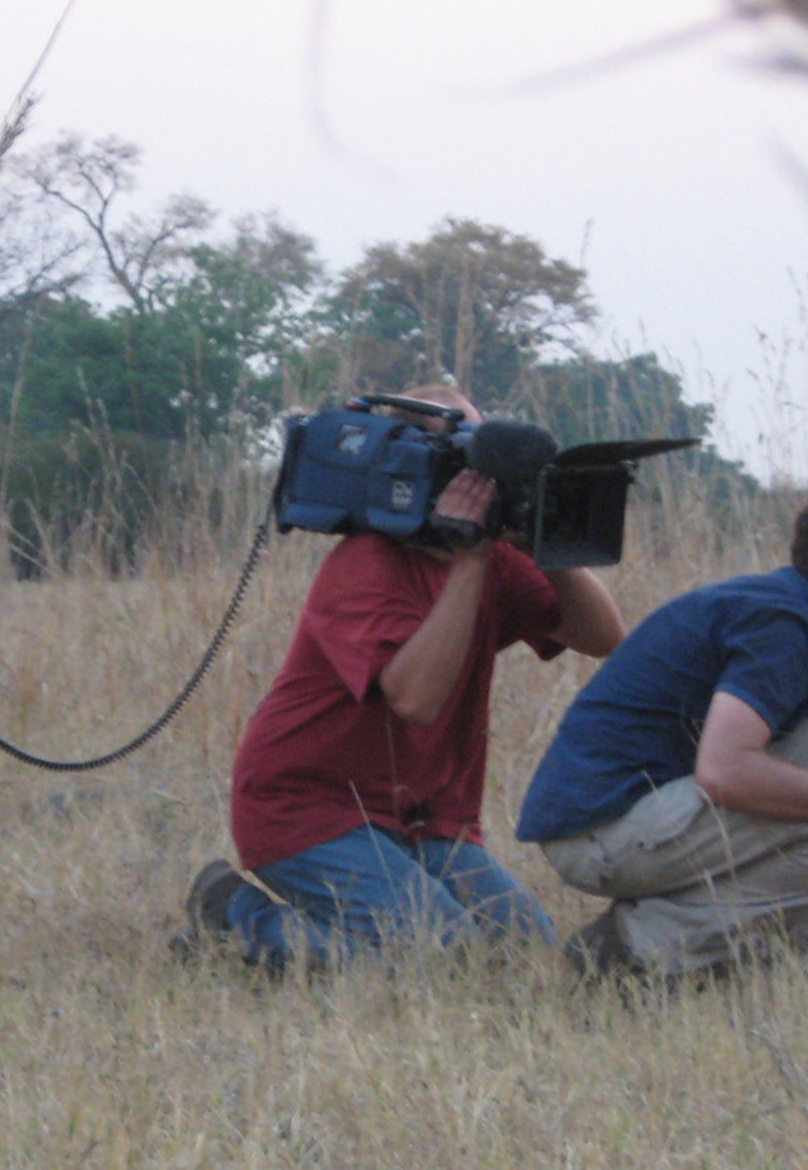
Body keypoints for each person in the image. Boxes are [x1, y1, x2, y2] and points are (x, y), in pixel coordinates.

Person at [175, 386, 628, 970]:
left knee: (524, 949)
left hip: (422, 818)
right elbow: (415, 700)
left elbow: (604, 639)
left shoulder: (499, 563)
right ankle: (236, 921)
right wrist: (470, 560)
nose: (491, 480)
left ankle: (328, 928)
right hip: (307, 811)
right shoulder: (366, 565)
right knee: (443, 955)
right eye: (476, 462)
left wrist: (548, 541)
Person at [516, 479, 808, 977]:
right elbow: (724, 773)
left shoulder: (800, 617)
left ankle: (710, 947)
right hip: (599, 831)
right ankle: (633, 949)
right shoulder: (781, 621)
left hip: (636, 814)